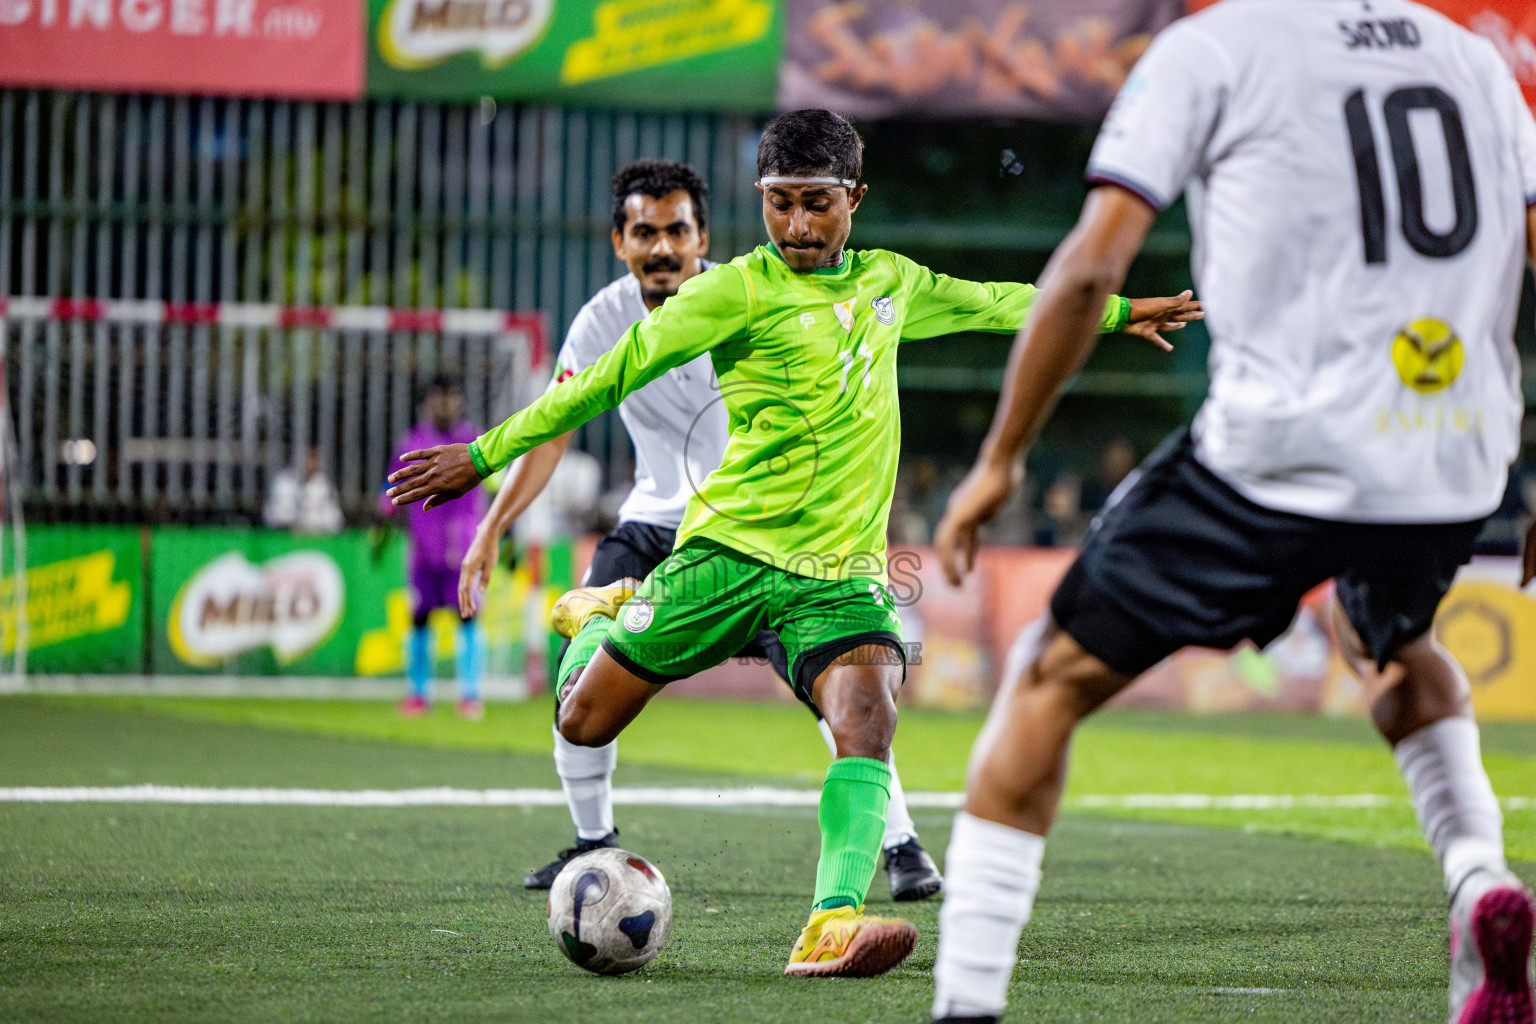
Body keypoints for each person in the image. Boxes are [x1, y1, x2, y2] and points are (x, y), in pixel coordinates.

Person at [388, 108, 1201, 979]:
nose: (799, 226)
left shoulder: (893, 283)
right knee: (582, 716)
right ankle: (598, 611)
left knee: (867, 721)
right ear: (761, 200)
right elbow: (610, 375)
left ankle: (830, 926)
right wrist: (479, 455)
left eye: (818, 203)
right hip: (728, 555)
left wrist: (1115, 313)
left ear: (855, 197)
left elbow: (1000, 304)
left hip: (838, 575)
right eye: (780, 205)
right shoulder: (729, 291)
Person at [928, 3, 1536, 1022]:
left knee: (1045, 675)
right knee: (1389, 637)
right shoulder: (1473, 59)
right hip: (1451, 459)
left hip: (1279, 455)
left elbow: (1089, 267)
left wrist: (1001, 459)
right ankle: (1481, 878)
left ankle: (965, 1008)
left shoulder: (1213, 49)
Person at [458, 159, 946, 900]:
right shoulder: (600, 321)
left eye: (677, 231)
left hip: (762, 535)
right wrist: (494, 524)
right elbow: (557, 431)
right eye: (644, 232)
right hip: (654, 528)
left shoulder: (756, 296)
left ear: (702, 237)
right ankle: (594, 842)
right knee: (581, 690)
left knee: (840, 683)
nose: (662, 248)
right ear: (619, 241)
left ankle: (902, 846)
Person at [381, 376, 487, 720]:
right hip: (424, 549)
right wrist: (383, 526)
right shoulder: (413, 443)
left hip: (463, 547)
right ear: (427, 403)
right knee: (419, 618)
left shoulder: (474, 440)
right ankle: (418, 694)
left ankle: (470, 696)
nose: (445, 405)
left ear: (460, 401)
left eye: (451, 397)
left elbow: (493, 485)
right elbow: (392, 492)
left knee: (468, 616)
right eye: (438, 399)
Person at [264, 446, 344, 535]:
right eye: (308, 457)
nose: (310, 463)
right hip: (285, 537)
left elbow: (335, 519)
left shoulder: (325, 486)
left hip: (318, 538)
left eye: (314, 458)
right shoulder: (283, 482)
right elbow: (273, 514)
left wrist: (312, 528)